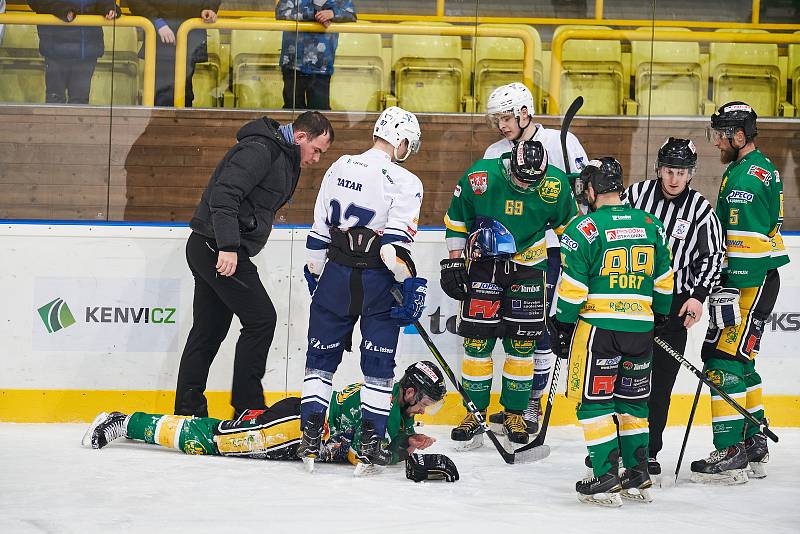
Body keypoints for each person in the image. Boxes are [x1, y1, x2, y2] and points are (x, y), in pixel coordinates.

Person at [174, 111, 333, 419]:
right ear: (301, 137)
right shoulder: (260, 150)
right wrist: (229, 246)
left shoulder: (283, 156)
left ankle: (187, 409)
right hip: (216, 247)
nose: (316, 159)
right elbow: (225, 195)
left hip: (211, 245)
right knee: (261, 319)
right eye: (317, 150)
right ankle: (248, 407)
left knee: (208, 331)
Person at [298, 106, 427, 468]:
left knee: (320, 362)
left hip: (335, 275)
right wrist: (411, 285)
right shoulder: (405, 182)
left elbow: (318, 236)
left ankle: (310, 436)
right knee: (378, 368)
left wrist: (316, 275)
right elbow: (392, 251)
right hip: (376, 282)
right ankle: (370, 442)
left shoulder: (338, 165)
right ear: (400, 139)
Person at [84, 361, 459, 482]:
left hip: (298, 429)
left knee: (222, 436)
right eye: (426, 402)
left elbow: (372, 448)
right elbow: (364, 457)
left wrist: (406, 444)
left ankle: (251, 421)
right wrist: (404, 455)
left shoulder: (394, 407)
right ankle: (124, 421)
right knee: (210, 440)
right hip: (291, 428)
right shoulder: (376, 406)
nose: (426, 411)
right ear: (409, 393)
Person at [552, 157, 674, 507]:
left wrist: (562, 322)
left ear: (591, 189)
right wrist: (660, 314)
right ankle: (637, 473)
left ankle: (606, 474)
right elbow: (664, 279)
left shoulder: (583, 227)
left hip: (599, 331)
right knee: (633, 404)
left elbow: (573, 287)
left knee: (594, 402)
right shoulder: (650, 223)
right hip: (640, 330)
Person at [441, 139, 577, 448]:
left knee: (522, 345)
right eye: (520, 177)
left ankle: (514, 412)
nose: (526, 185)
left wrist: (576, 274)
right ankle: (474, 413)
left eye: (533, 180)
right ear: (509, 164)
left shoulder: (555, 184)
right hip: (483, 264)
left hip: (529, 266)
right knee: (477, 342)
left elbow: (569, 232)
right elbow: (457, 219)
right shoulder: (482, 177)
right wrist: (451, 262)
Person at [482, 82, 589, 436]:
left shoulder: (563, 143)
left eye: (507, 117)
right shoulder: (494, 151)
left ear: (525, 112)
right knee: (507, 331)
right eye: (497, 118)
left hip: (548, 250)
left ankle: (532, 403)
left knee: (537, 326)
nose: (502, 125)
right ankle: (515, 403)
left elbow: (585, 195)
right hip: (501, 253)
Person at [692, 102, 788, 484]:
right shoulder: (756, 167)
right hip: (763, 279)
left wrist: (728, 287)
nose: (717, 144)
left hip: (750, 280)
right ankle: (754, 439)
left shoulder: (745, 180)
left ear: (739, 136)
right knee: (742, 360)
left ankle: (731, 450)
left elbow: (745, 242)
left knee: (722, 360)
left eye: (721, 136)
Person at [625, 137, 725, 478]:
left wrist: (698, 296)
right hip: (633, 300)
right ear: (658, 168)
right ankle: (618, 448)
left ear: (690, 174)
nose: (674, 178)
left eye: (681, 172)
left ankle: (649, 451)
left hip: (675, 307)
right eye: (669, 170)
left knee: (660, 383)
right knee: (623, 378)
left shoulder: (700, 209)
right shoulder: (635, 196)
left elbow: (712, 257)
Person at [127, 0, 220, 107]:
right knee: (163, 94)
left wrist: (209, 8)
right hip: (160, 41)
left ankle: (181, 122)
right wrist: (156, 21)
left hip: (191, 36)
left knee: (185, 91)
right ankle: (163, 122)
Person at [28, 0, 119, 104]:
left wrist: (109, 8)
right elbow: (36, 2)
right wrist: (60, 9)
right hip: (56, 49)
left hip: (86, 51)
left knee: (79, 100)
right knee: (55, 98)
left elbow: (103, 2)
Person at [276, 0, 356, 110]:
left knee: (319, 112)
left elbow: (351, 14)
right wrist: (314, 14)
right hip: (293, 63)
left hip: (321, 66)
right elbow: (281, 12)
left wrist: (333, 13)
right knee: (292, 109)